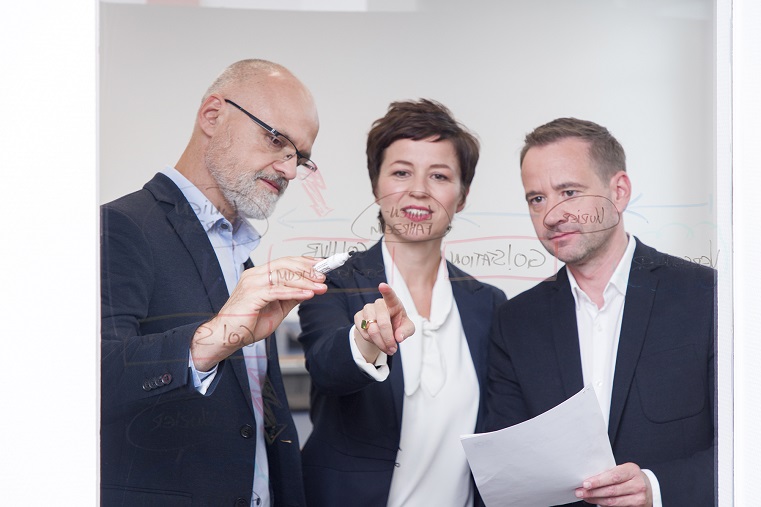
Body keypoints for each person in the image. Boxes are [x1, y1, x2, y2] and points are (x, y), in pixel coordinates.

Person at [100, 59, 327, 506]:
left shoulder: (242, 255)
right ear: (212, 115)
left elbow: (258, 419)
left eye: (299, 157)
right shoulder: (120, 227)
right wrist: (215, 337)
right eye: (276, 139)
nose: (287, 168)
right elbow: (94, 378)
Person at [485, 117, 715, 506]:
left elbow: (747, 443)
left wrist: (656, 489)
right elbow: (507, 473)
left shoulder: (706, 295)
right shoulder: (515, 322)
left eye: (569, 191)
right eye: (536, 198)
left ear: (619, 191)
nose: (552, 215)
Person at [297, 99, 507, 507]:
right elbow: (326, 367)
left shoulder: (489, 305)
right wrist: (367, 341)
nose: (419, 190)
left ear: (461, 197)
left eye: (440, 176)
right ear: (376, 186)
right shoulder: (333, 284)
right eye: (401, 172)